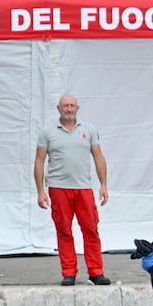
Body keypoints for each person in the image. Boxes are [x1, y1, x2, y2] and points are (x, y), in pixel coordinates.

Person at [34, 94, 111, 286]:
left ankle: (96, 271)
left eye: (72, 106)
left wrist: (103, 185)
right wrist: (40, 191)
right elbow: (39, 161)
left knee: (91, 229)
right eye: (65, 106)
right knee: (64, 231)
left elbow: (98, 157)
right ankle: (69, 272)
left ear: (77, 108)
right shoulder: (47, 132)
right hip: (58, 188)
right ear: (58, 109)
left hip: (83, 188)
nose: (68, 109)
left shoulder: (89, 130)